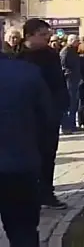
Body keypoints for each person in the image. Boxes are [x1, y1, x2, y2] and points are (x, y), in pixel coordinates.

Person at [0, 49, 53, 245]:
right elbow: (47, 120)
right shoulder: (27, 73)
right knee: (23, 232)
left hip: (20, 162)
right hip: (20, 165)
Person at [15, 18, 68, 210]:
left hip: (48, 114)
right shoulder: (18, 56)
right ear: (29, 35)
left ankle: (46, 192)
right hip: (24, 116)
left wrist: (58, 108)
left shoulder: (50, 55)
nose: (47, 38)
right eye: (42, 35)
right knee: (27, 156)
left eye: (48, 35)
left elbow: (59, 84)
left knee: (47, 155)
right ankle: (28, 194)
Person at [59, 35, 83, 135]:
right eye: (77, 41)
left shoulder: (73, 51)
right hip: (69, 80)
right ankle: (68, 125)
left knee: (75, 103)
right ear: (71, 41)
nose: (78, 43)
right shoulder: (66, 51)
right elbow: (63, 65)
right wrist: (70, 74)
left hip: (75, 79)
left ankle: (72, 124)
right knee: (71, 102)